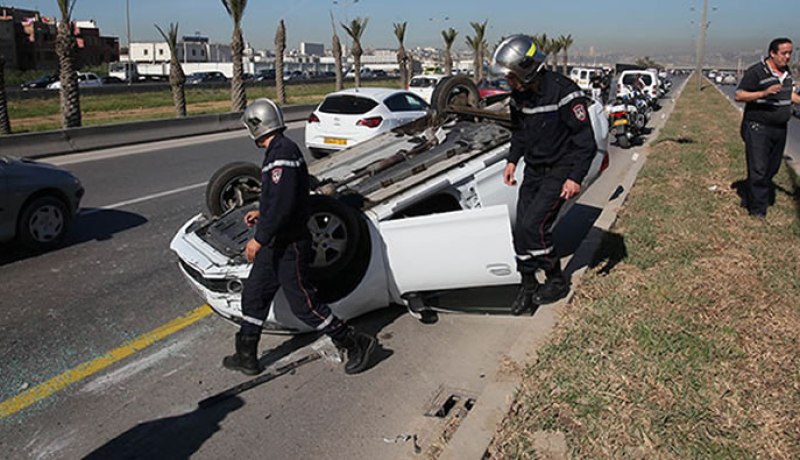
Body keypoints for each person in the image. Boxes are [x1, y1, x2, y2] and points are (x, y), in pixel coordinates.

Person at [223, 98, 376, 376]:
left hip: (289, 244)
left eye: (249, 126)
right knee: (254, 294)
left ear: (257, 125)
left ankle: (354, 342)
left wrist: (259, 238)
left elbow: (283, 205)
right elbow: (284, 197)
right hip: (275, 243)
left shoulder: (282, 152)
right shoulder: (277, 152)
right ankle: (246, 354)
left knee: (303, 305)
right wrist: (262, 212)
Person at [491, 35, 596, 315]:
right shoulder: (519, 97)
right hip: (534, 170)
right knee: (520, 230)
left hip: (560, 170)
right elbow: (520, 134)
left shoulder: (565, 93)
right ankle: (527, 283)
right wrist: (512, 160)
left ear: (526, 69)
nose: (508, 82)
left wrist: (575, 178)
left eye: (511, 76)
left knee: (534, 227)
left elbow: (585, 142)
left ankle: (555, 279)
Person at [734, 38, 800, 218]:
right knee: (758, 168)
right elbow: (739, 95)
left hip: (780, 128)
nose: (788, 57)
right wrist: (763, 93)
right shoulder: (756, 72)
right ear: (772, 53)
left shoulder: (786, 73)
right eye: (784, 53)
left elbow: (789, 95)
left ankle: (751, 192)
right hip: (758, 127)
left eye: (790, 53)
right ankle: (757, 211)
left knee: (772, 168)